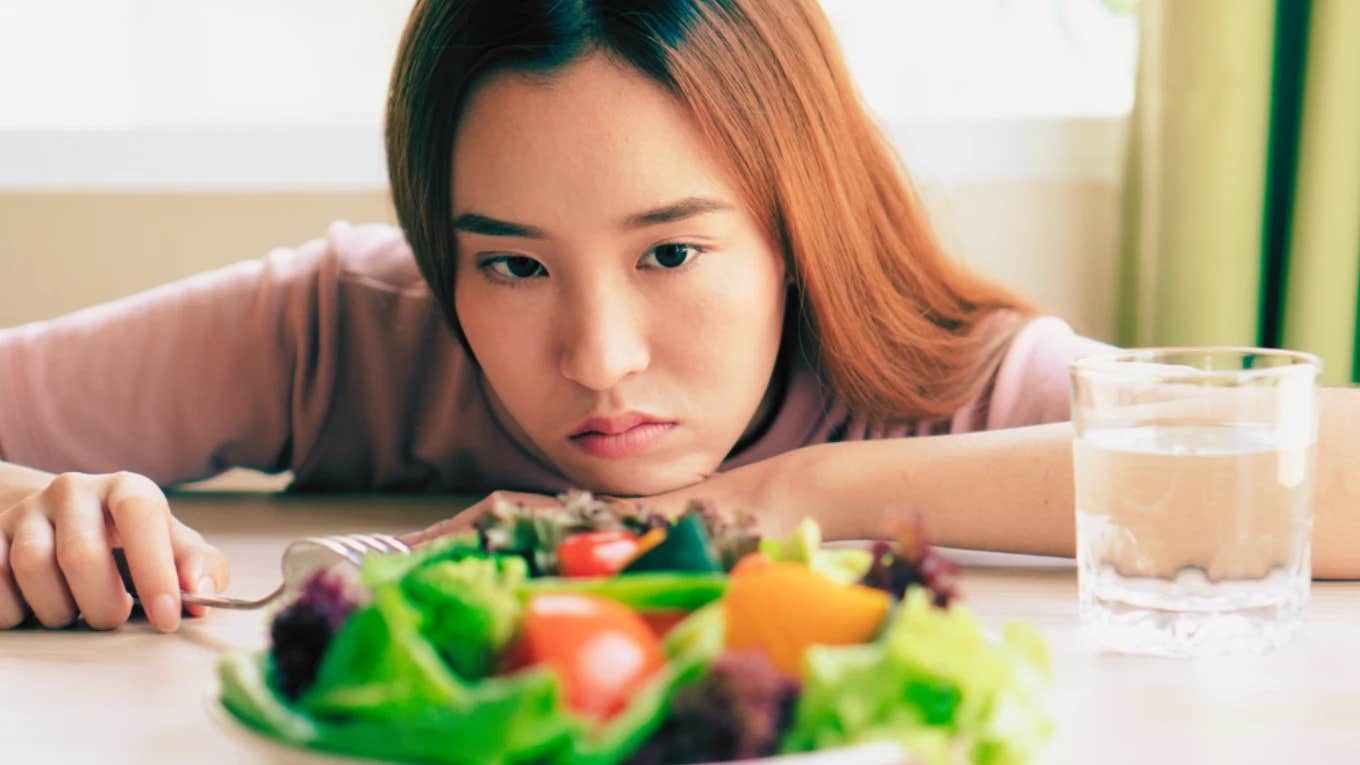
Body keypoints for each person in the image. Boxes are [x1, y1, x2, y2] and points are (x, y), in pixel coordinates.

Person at [1, 0, 1355, 634]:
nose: (600, 358)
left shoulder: (945, 379)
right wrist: (20, 509)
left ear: (793, 221)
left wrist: (784, 496)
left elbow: (1329, 467)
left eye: (670, 251)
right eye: (513, 266)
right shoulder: (357, 321)